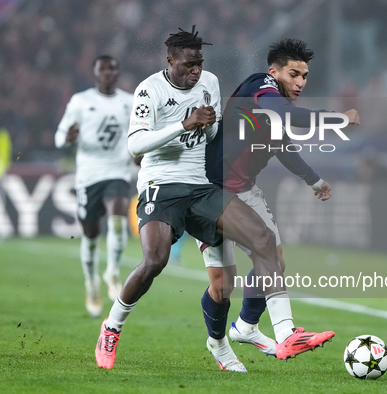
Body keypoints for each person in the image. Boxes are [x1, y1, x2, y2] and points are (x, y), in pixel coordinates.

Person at [95, 26, 334, 372]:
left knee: (261, 243)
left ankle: (284, 333)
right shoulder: (150, 89)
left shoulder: (209, 82)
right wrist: (185, 123)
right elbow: (135, 145)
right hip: (161, 187)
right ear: (171, 60)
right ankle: (112, 326)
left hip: (203, 186)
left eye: (199, 63)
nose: (196, 71)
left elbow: (213, 134)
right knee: (155, 261)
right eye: (189, 65)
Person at [199, 38, 360, 364]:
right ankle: (220, 342)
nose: (300, 82)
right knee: (222, 285)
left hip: (244, 191)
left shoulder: (275, 110)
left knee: (272, 256)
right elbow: (285, 111)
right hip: (210, 191)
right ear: (275, 71)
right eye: (294, 74)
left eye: (304, 76)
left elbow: (283, 147)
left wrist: (313, 180)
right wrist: (338, 119)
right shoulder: (261, 86)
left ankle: (254, 327)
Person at [55, 55, 133, 318]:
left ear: (118, 72)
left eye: (113, 68)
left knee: (119, 218)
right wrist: (67, 137)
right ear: (95, 73)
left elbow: (139, 134)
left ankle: (112, 270)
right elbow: (58, 138)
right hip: (88, 175)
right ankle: (91, 284)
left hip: (118, 171)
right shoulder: (81, 101)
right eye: (103, 69)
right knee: (90, 235)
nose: (109, 73)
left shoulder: (129, 102)